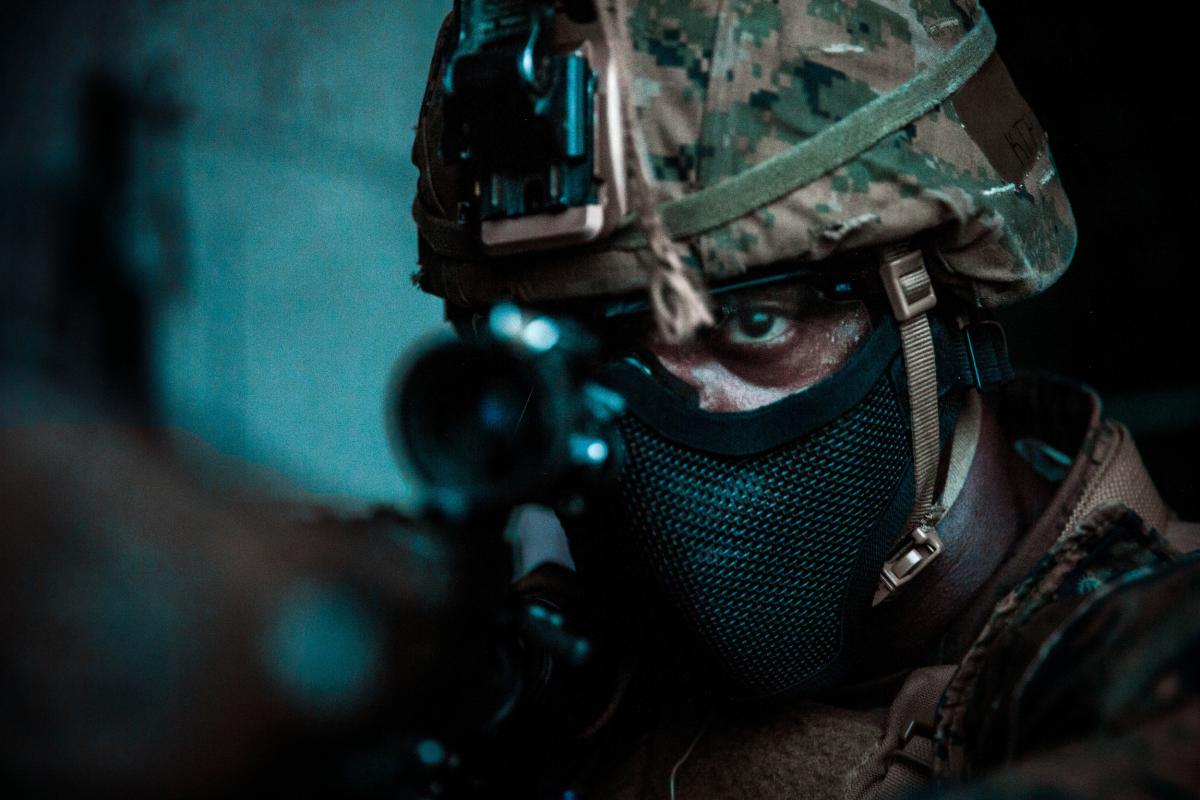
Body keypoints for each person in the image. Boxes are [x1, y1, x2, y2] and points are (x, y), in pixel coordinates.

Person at [408, 0, 1200, 797]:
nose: (660, 432)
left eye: (754, 324)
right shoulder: (556, 693)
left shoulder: (1143, 660)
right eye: (582, 358)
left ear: (936, 298)